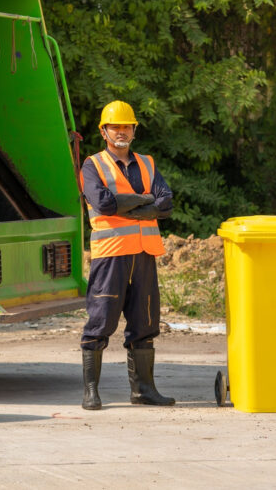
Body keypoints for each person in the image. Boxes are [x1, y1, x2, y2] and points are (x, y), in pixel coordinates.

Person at [78, 100, 175, 410]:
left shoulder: (147, 163)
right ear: (104, 131)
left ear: (135, 130)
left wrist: (131, 203)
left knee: (145, 323)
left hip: (144, 255)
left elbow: (167, 204)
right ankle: (91, 391)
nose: (121, 131)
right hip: (111, 256)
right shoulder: (92, 165)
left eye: (127, 126)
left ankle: (143, 390)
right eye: (115, 127)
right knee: (100, 322)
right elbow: (104, 204)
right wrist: (146, 202)